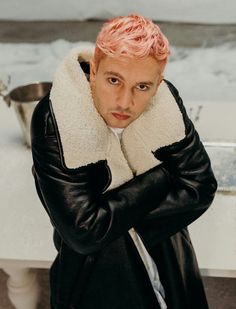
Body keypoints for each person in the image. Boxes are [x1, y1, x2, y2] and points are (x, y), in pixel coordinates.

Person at [30, 14, 217, 309]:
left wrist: (110, 218)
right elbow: (84, 233)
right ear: (94, 71)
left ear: (158, 84)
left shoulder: (164, 103)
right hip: (96, 271)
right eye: (113, 80)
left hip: (166, 251)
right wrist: (162, 177)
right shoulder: (55, 117)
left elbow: (201, 187)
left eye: (142, 87)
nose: (124, 101)